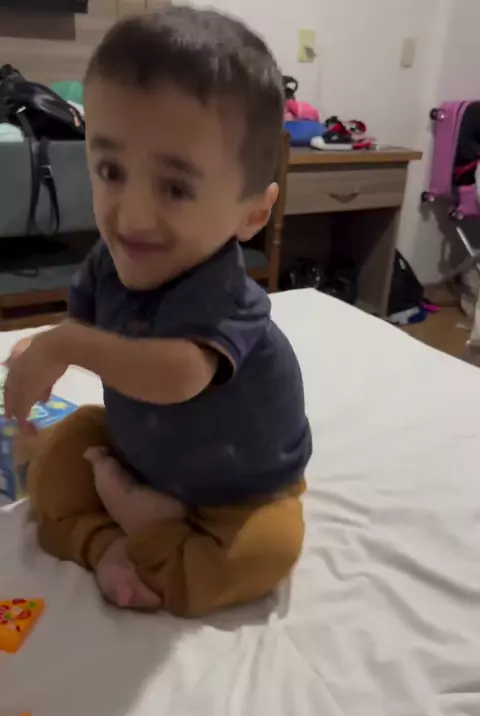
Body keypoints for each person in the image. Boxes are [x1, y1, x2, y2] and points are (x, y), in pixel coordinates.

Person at [5, 6, 312, 617]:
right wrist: (34, 357)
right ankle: (107, 546)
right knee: (60, 461)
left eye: (175, 187)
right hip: (136, 454)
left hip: (240, 490)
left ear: (253, 212)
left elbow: (178, 376)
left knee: (268, 550)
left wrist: (64, 346)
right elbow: (83, 329)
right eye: (111, 171)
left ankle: (152, 531)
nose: (133, 216)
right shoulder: (108, 263)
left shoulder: (220, 289)